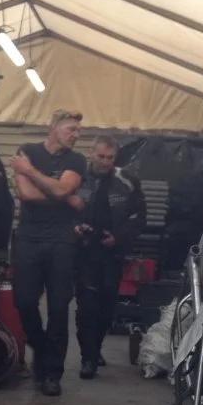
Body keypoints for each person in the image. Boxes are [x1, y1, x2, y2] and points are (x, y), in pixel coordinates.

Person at [9, 110, 87, 396]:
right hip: (29, 238)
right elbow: (27, 194)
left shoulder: (76, 160)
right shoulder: (27, 150)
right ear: (54, 127)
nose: (75, 135)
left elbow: (62, 189)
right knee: (24, 301)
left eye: (78, 131)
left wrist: (30, 172)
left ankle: (52, 373)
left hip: (62, 241)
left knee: (58, 307)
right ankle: (41, 349)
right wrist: (63, 196)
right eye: (70, 129)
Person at [73, 137, 146, 379]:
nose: (105, 162)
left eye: (110, 157)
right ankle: (88, 358)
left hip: (112, 253)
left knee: (106, 306)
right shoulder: (75, 177)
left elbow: (139, 217)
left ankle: (95, 348)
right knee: (86, 307)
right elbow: (62, 208)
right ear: (91, 153)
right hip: (82, 252)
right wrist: (75, 228)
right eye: (101, 156)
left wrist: (118, 237)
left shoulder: (127, 180)